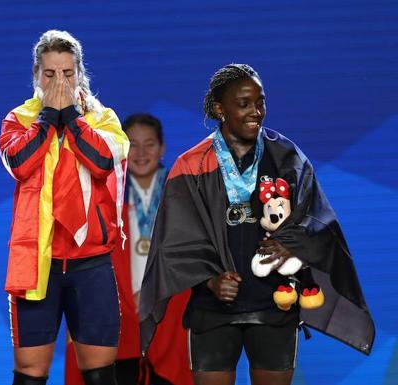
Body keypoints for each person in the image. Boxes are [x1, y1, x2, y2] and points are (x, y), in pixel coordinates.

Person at [139, 64, 374, 385]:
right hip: (214, 308)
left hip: (275, 304)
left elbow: (319, 219)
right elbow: (175, 239)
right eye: (244, 104)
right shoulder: (192, 164)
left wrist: (292, 242)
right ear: (220, 109)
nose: (256, 112)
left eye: (260, 102)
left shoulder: (286, 156)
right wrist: (209, 279)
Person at [0, 30, 129, 385]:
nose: (59, 81)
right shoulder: (18, 121)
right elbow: (20, 163)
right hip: (39, 265)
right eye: (50, 74)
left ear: (81, 74)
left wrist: (70, 116)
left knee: (100, 374)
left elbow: (102, 161)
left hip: (92, 262)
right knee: (30, 373)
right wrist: (47, 119)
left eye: (68, 73)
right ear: (36, 76)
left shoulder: (104, 119)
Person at [65, 114, 193, 385]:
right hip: (117, 310)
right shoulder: (103, 194)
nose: (141, 153)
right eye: (132, 144)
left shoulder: (182, 196)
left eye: (150, 144)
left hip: (169, 311)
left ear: (163, 148)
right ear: (121, 147)